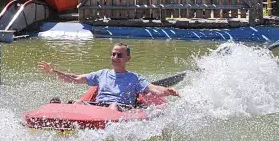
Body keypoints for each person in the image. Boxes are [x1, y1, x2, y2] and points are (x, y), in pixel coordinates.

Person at [39, 44, 179, 107]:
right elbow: (76, 78)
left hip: (120, 108)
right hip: (99, 107)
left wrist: (168, 91)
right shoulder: (101, 74)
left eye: (119, 55)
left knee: (113, 106)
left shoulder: (135, 78)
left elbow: (153, 89)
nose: (115, 57)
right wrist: (53, 71)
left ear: (128, 58)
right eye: (113, 54)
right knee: (78, 103)